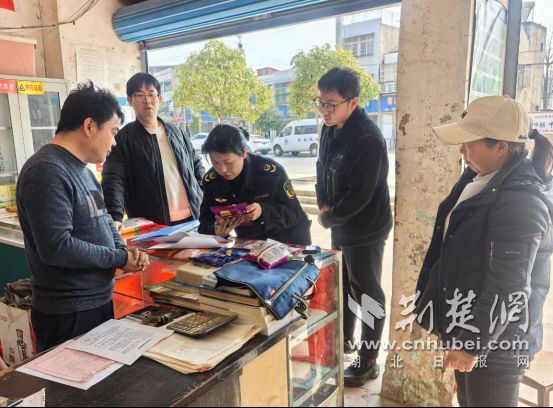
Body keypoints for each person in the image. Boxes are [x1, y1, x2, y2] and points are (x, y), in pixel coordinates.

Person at [416, 95, 553, 407]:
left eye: (469, 143)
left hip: (498, 341)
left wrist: (471, 344)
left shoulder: (520, 200)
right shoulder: (482, 176)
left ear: (501, 147)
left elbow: (509, 285)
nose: (461, 151)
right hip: (472, 323)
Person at [17, 82, 149, 353]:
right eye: (112, 132)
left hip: (96, 301)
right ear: (89, 126)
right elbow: (57, 247)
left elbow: (105, 221)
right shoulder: (46, 171)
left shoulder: (84, 171)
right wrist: (118, 259)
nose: (114, 141)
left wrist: (125, 252)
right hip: (68, 312)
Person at [315, 67, 393, 387]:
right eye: (321, 103)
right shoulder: (330, 127)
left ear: (353, 102)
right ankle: (345, 340)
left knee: (367, 292)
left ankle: (368, 361)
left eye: (331, 104)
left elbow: (361, 195)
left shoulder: (367, 138)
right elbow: (321, 167)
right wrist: (324, 205)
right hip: (339, 222)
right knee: (344, 285)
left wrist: (327, 218)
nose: (324, 110)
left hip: (364, 228)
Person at [102, 73, 205, 229]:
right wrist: (115, 216)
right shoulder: (123, 139)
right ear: (130, 100)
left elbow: (197, 166)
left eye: (151, 94)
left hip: (193, 218)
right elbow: (114, 180)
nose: (147, 100)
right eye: (140, 95)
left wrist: (202, 194)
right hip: (152, 225)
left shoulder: (178, 132)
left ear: (160, 99)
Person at [198, 124, 312, 246]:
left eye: (228, 162)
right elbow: (205, 220)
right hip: (252, 243)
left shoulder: (271, 172)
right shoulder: (212, 181)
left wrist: (263, 211)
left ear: (244, 152)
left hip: (290, 239)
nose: (222, 170)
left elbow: (294, 213)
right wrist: (216, 231)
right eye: (215, 162)